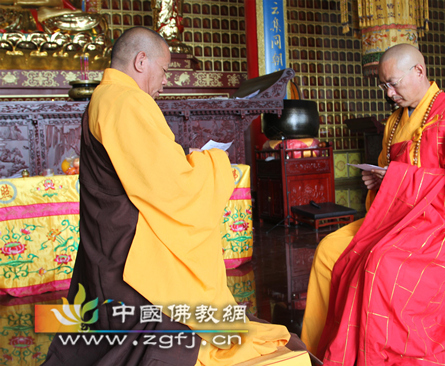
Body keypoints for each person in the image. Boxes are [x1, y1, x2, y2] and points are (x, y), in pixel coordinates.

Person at [43, 26, 300, 366]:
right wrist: (213, 163)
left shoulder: (108, 98)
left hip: (108, 242)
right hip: (129, 255)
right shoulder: (124, 101)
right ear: (140, 60)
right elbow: (172, 188)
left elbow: (148, 166)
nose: (164, 82)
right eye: (164, 71)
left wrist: (183, 155)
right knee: (191, 328)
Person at [301, 43, 445, 365]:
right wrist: (378, 181)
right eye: (383, 85)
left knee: (380, 261)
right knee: (328, 251)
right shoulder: (394, 123)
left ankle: (375, 352)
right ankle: (321, 345)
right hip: (394, 218)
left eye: (393, 84)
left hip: (442, 222)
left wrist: (400, 178)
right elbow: (389, 177)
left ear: (419, 72)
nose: (389, 93)